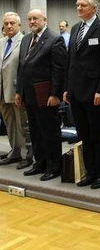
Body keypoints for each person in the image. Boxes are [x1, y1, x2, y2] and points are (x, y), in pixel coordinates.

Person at [63, 0, 100, 189]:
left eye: (83, 5)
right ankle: (90, 172)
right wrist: (67, 88)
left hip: (94, 91)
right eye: (77, 5)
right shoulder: (75, 29)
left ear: (94, 8)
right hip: (76, 90)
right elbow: (71, 61)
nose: (79, 8)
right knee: (84, 134)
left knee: (97, 135)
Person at [16, 9, 66, 181]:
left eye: (35, 18)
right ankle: (40, 163)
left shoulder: (54, 39)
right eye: (29, 19)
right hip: (29, 94)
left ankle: (54, 166)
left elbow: (59, 70)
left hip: (46, 94)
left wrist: (55, 94)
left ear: (44, 19)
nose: (32, 22)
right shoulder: (26, 39)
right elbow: (21, 67)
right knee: (35, 132)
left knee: (49, 132)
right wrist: (19, 91)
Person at [0, 12, 32, 169]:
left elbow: (25, 69)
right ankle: (15, 152)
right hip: (1, 91)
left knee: (23, 124)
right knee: (10, 124)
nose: (9, 26)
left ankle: (29, 154)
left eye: (12, 23)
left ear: (19, 25)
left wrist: (21, 90)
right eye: (6, 23)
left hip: (16, 89)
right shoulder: (1, 42)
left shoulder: (24, 41)